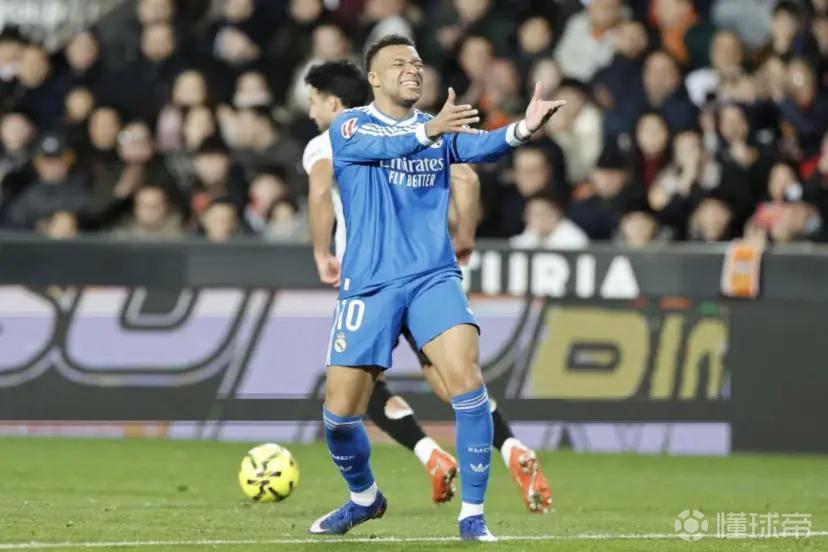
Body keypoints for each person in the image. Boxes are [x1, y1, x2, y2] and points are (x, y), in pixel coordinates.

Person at [307, 34, 565, 541]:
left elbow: (480, 148)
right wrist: (431, 133)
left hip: (433, 277)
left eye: (417, 62)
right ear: (373, 79)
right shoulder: (349, 126)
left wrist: (523, 128)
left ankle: (472, 516)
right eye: (398, 63)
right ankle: (364, 498)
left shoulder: (436, 128)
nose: (412, 69)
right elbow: (385, 146)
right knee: (339, 418)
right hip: (369, 286)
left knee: (467, 384)